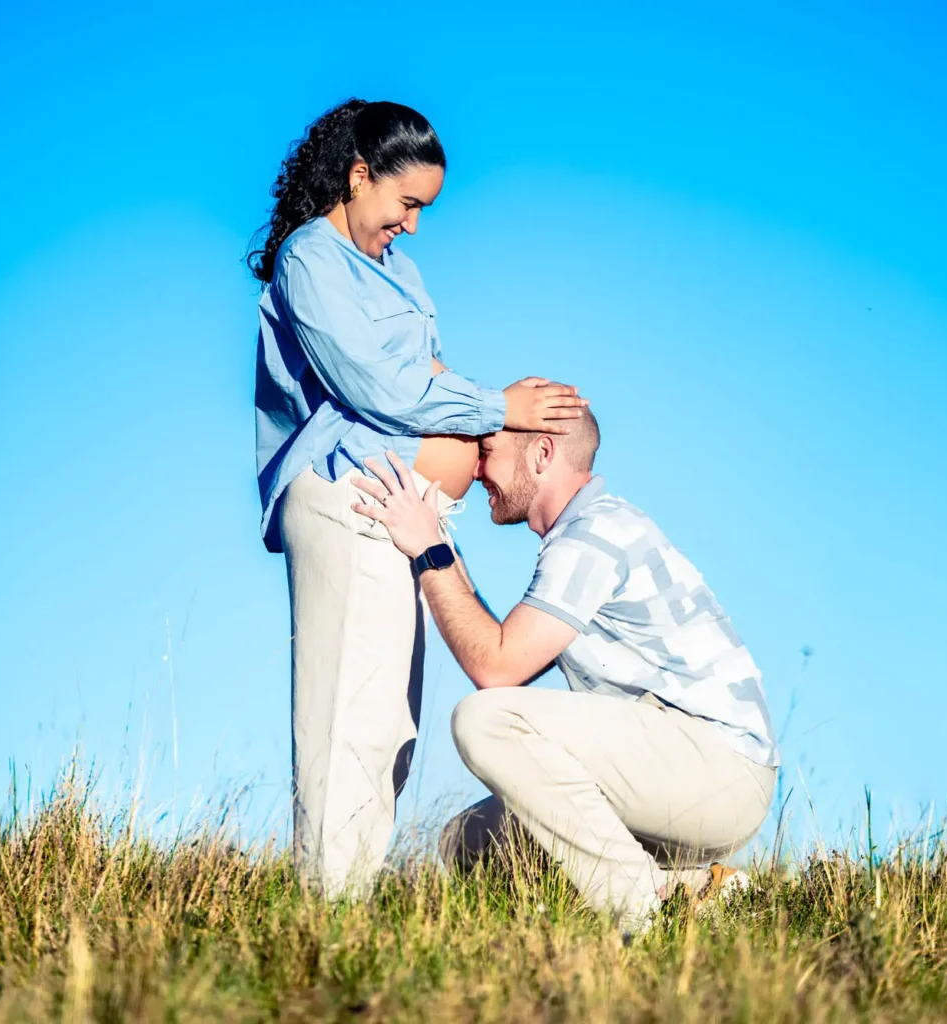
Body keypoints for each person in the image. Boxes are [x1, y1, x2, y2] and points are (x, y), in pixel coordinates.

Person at [251, 98, 588, 898]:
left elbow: (428, 375)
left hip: (398, 513)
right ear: (358, 176)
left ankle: (351, 896)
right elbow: (379, 387)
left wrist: (481, 422)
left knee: (390, 718)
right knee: (347, 711)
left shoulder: (398, 270)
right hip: (347, 494)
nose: (412, 225)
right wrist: (499, 408)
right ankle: (327, 905)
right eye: (406, 203)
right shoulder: (310, 260)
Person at [350, 411, 779, 935]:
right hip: (682, 771)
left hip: (719, 772)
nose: (477, 470)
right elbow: (508, 658)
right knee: (468, 843)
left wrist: (429, 551)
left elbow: (496, 667)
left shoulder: (594, 534)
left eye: (488, 452)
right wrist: (437, 537)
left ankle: (642, 909)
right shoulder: (584, 531)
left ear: (542, 453)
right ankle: (698, 890)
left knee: (484, 719)